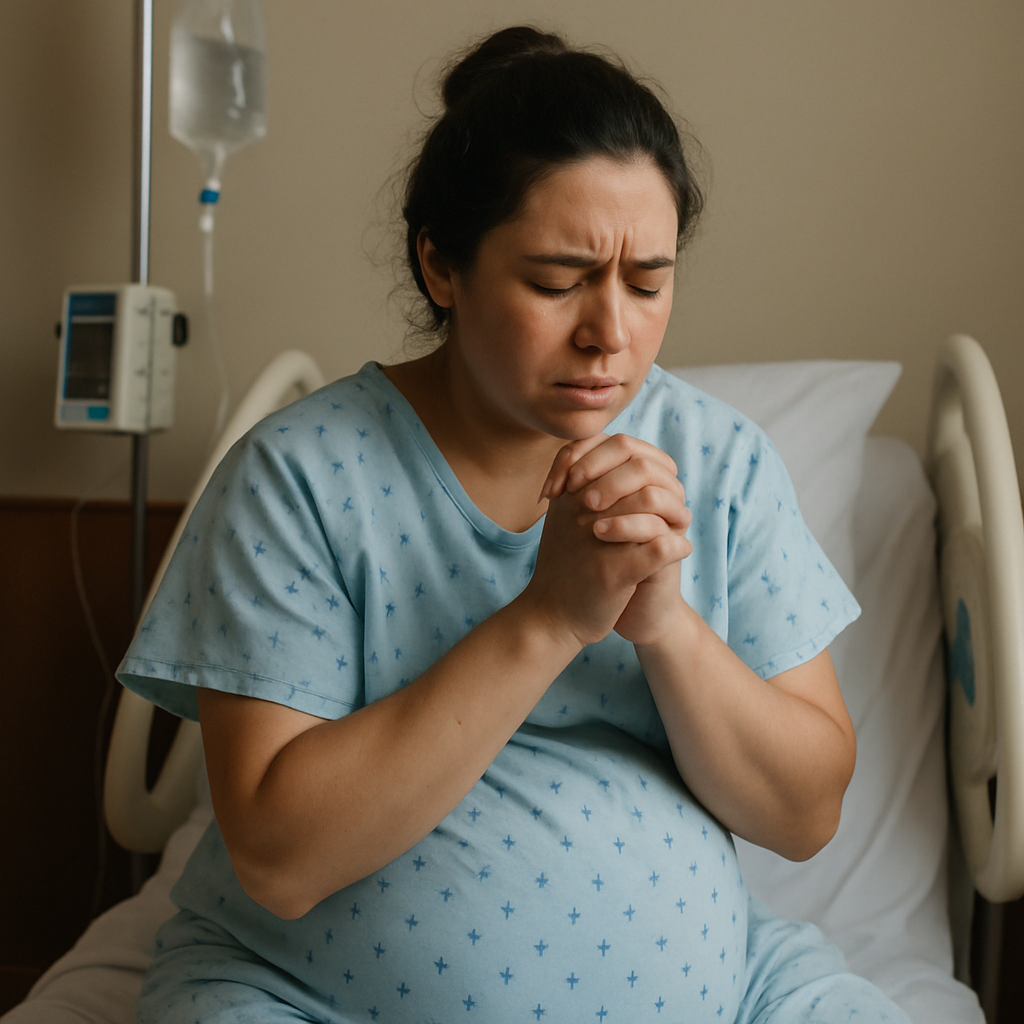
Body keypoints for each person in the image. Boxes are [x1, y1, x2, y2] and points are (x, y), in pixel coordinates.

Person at [118, 25, 910, 1024]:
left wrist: (665, 625)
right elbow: (279, 857)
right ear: (440, 265)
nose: (609, 333)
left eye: (649, 280)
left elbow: (804, 815)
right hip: (304, 995)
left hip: (730, 991)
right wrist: (550, 618)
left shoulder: (719, 462)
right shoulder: (302, 477)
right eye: (556, 279)